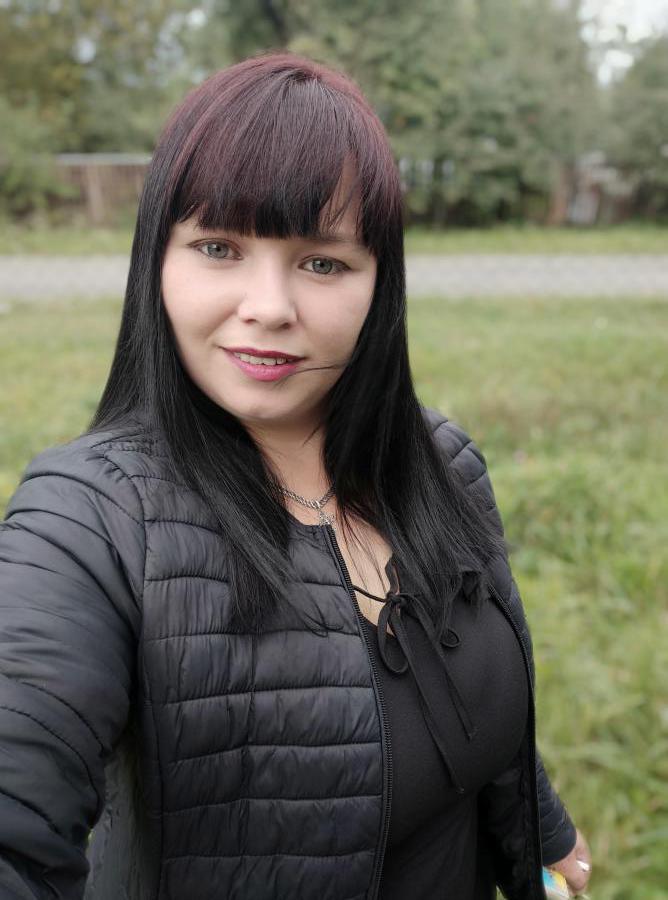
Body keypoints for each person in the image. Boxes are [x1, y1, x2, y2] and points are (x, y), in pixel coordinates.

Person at [0, 51, 592, 900]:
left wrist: (544, 833)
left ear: (379, 284)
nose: (269, 307)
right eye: (218, 247)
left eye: (322, 262)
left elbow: (475, 698)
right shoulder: (90, 521)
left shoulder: (443, 462)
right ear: (155, 261)